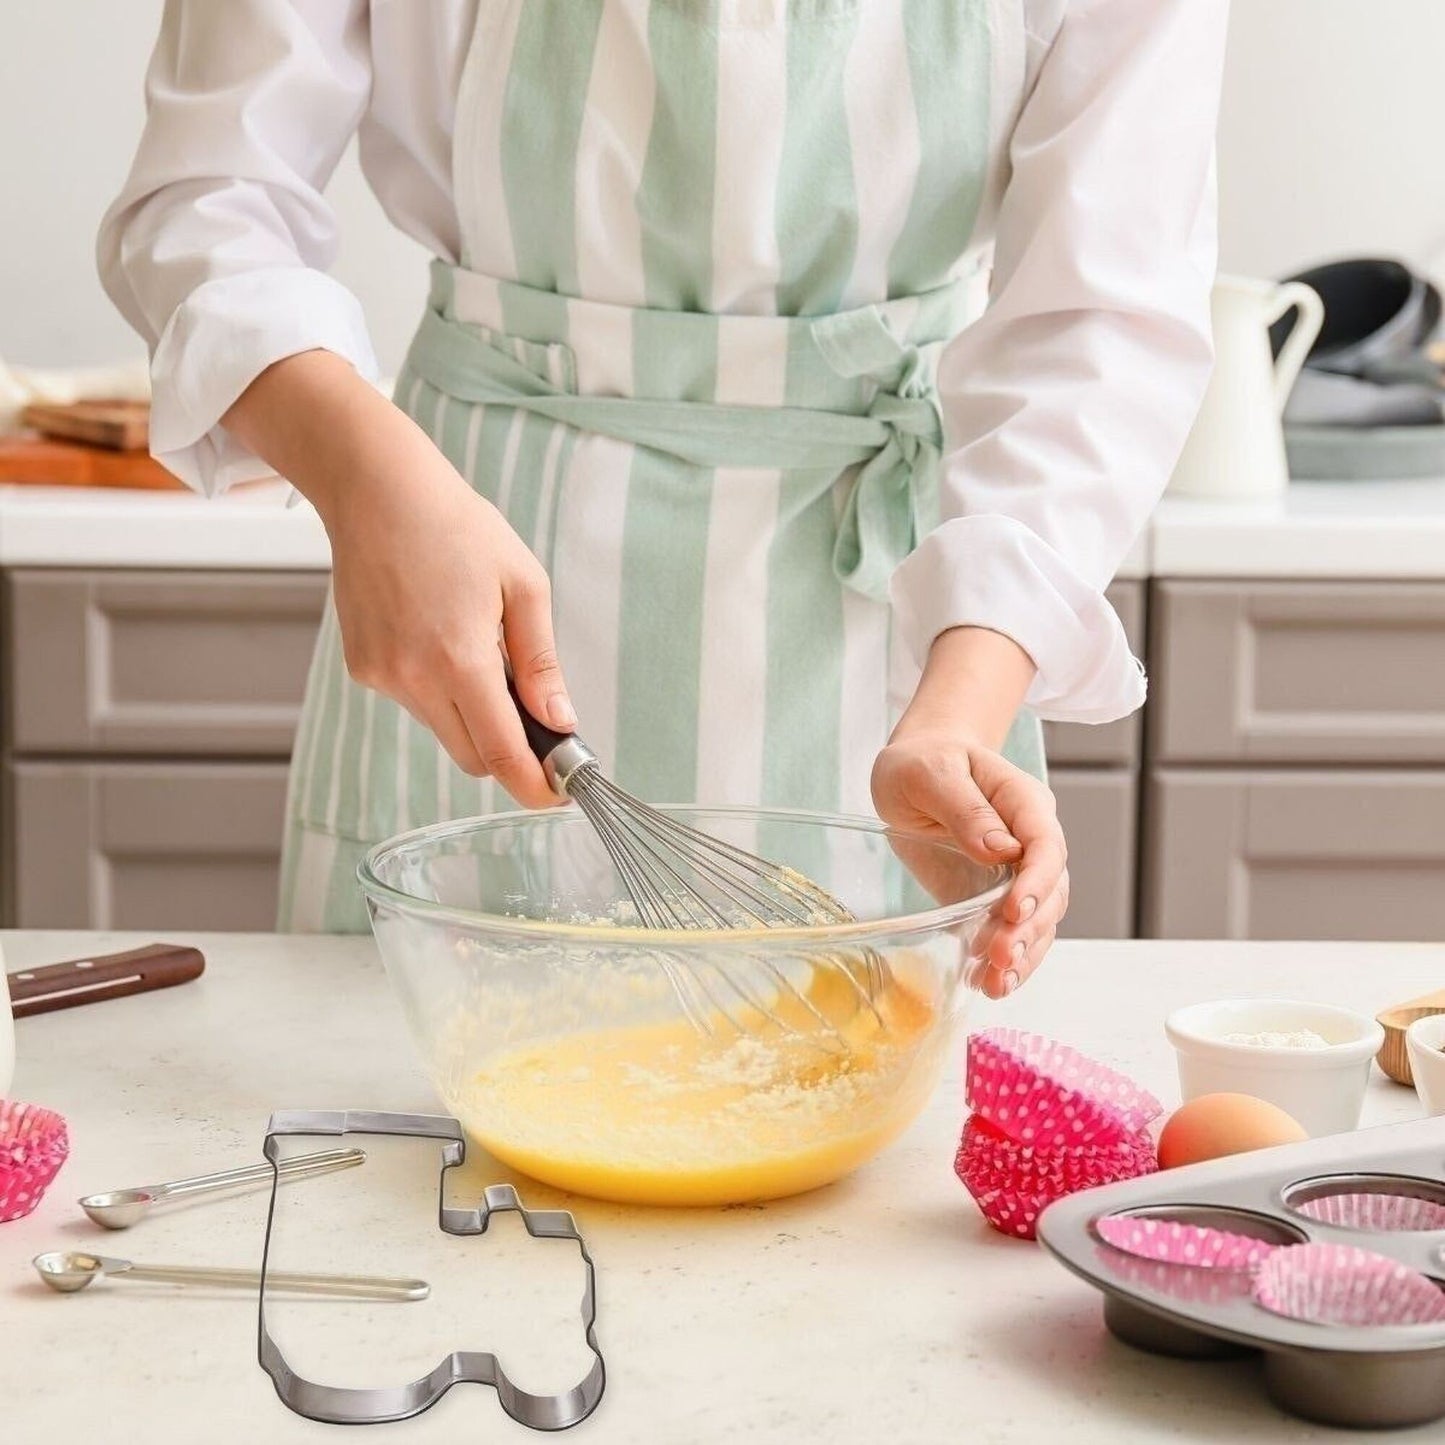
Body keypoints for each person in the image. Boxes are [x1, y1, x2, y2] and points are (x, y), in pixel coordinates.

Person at [99, 1, 1228, 995]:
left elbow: (1098, 324)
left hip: (880, 656)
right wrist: (361, 478)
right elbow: (209, 194)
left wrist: (957, 710)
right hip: (469, 547)